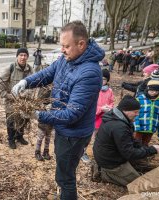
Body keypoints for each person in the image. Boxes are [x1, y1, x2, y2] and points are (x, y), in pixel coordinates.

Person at [12, 21, 105, 200]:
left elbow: (72, 113)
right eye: (61, 45)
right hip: (64, 128)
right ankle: (63, 194)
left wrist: (38, 115)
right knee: (63, 170)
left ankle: (66, 195)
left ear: (81, 44)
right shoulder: (67, 58)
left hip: (73, 134)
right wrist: (26, 82)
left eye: (66, 46)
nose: (62, 50)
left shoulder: (90, 73)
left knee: (65, 176)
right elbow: (48, 73)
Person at [93, 95, 159, 186]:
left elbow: (129, 140)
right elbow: (129, 153)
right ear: (125, 110)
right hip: (111, 162)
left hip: (111, 154)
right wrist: (152, 150)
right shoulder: (119, 127)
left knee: (143, 164)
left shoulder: (117, 116)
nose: (138, 114)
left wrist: (143, 147)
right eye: (135, 112)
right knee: (139, 184)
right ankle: (104, 173)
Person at [1, 48, 33, 149]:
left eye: (25, 55)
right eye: (21, 55)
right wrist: (8, 95)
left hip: (24, 101)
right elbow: (0, 84)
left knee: (23, 119)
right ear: (17, 56)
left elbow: (32, 85)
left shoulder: (29, 69)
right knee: (11, 120)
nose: (23, 57)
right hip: (11, 101)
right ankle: (11, 139)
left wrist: (27, 94)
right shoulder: (10, 68)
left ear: (27, 57)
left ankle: (19, 137)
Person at [134, 80, 159, 145]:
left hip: (151, 128)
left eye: (157, 91)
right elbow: (135, 113)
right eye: (152, 90)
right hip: (139, 127)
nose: (154, 92)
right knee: (136, 142)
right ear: (147, 89)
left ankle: (144, 153)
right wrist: (136, 125)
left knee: (145, 143)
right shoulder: (140, 99)